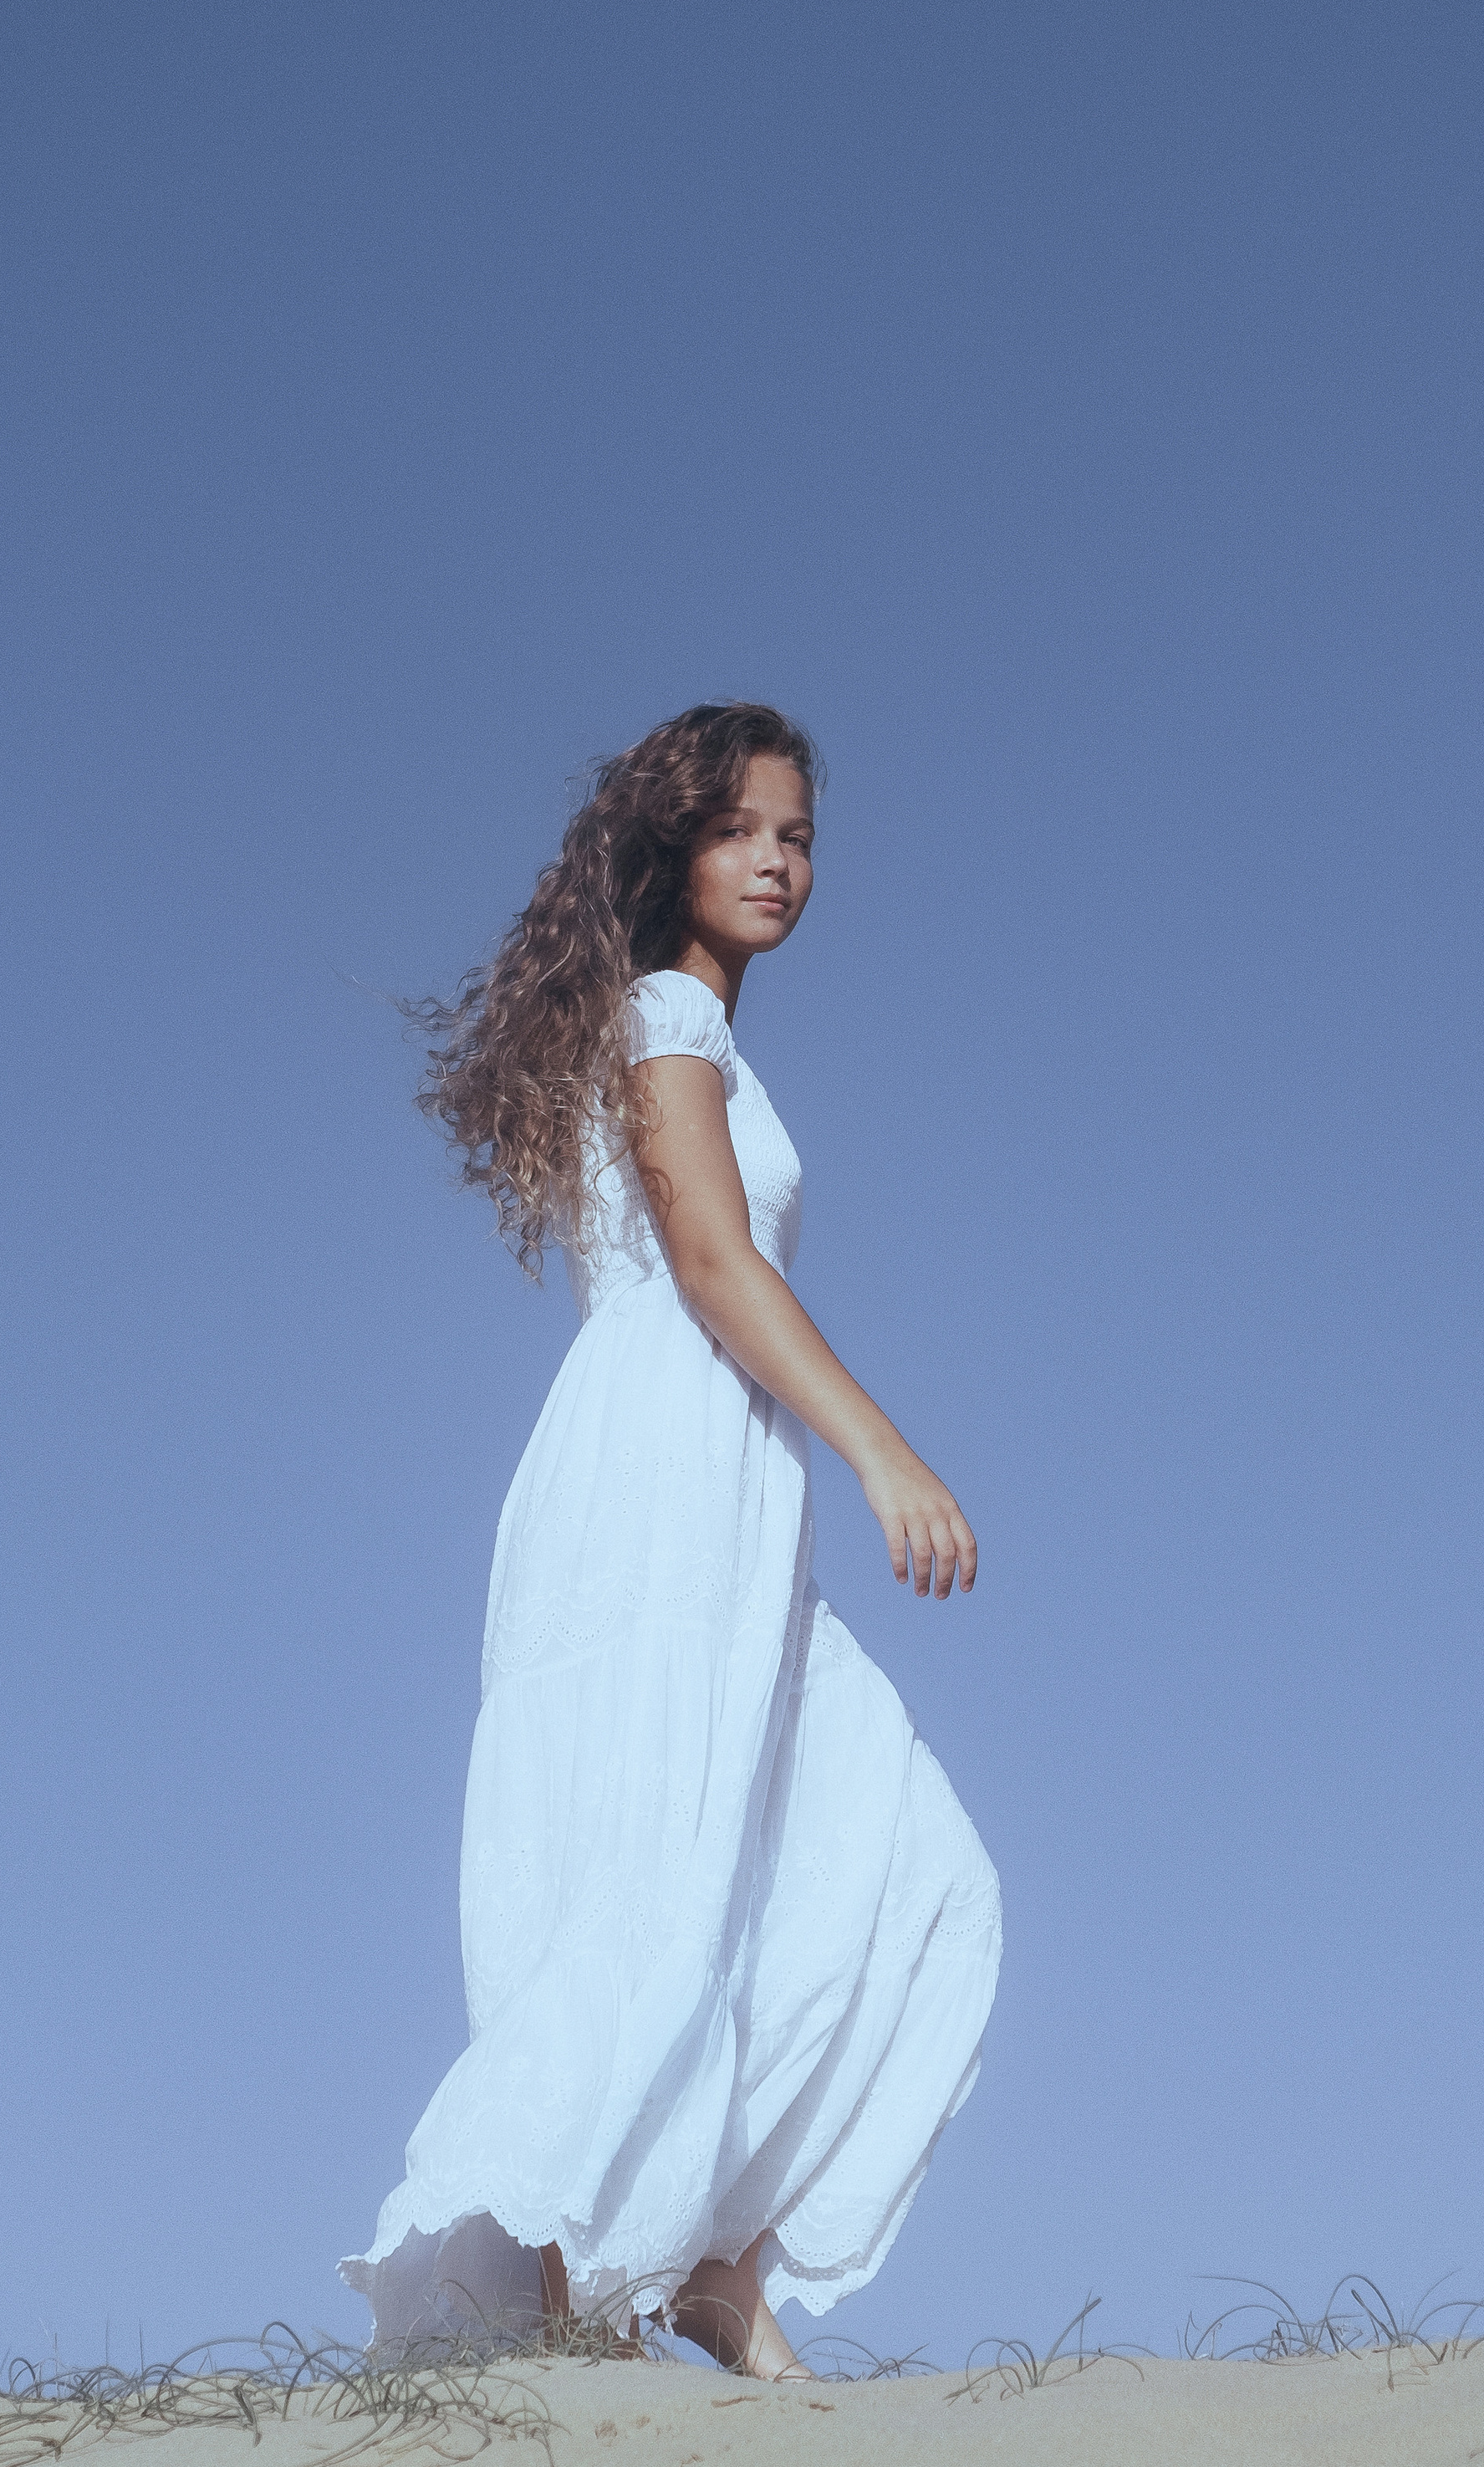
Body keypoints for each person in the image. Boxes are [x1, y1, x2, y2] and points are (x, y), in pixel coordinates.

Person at [342, 702, 1001, 2380]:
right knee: (654, 1860)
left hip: (710, 1473)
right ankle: (586, 2261)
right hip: (661, 1459)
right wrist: (882, 1453)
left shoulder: (685, 1027)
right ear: (674, 849)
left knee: (861, 1845)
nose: (780, 862)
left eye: (799, 837)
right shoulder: (660, 1019)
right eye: (745, 832)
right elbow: (710, 1263)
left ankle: (702, 2262)